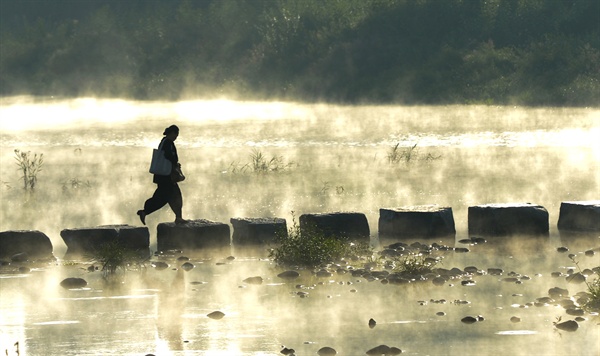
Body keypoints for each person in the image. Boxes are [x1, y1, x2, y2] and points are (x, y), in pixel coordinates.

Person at [137, 125, 187, 225]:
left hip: (163, 176)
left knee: (168, 196)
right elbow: (169, 155)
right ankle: (145, 211)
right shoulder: (168, 142)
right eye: (175, 134)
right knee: (169, 196)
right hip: (166, 176)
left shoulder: (164, 141)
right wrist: (175, 164)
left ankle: (178, 217)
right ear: (171, 133)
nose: (176, 137)